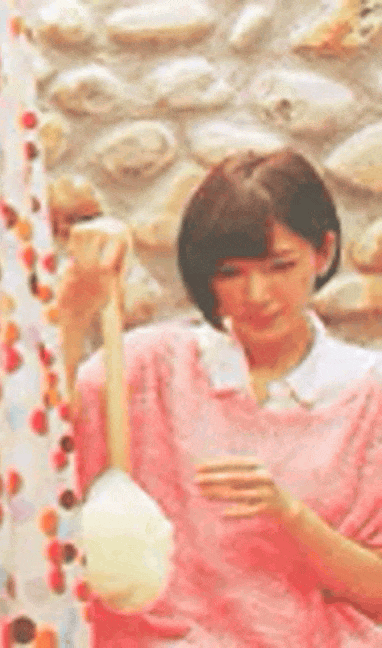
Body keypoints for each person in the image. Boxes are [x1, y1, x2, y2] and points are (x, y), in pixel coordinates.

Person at [56, 149, 382, 645]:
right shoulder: (148, 367)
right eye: (231, 272)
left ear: (323, 251)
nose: (256, 294)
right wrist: (75, 308)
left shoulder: (368, 393)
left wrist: (291, 516)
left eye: (280, 266)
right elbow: (37, 449)